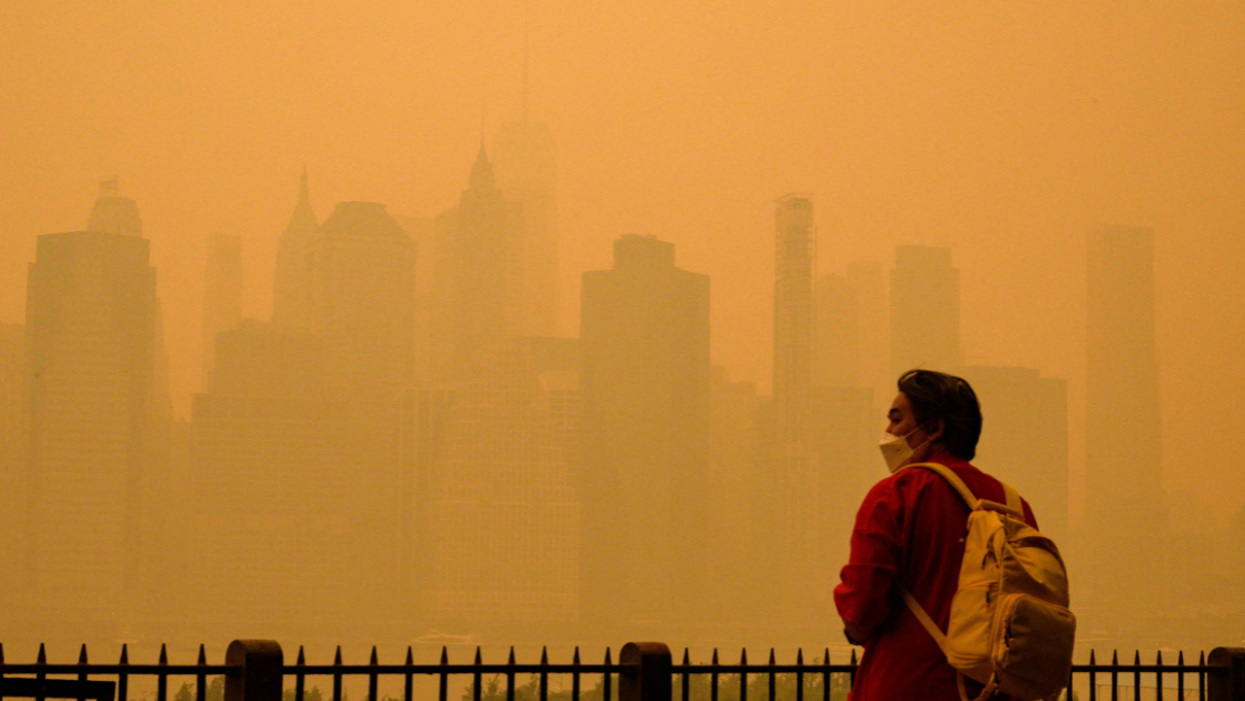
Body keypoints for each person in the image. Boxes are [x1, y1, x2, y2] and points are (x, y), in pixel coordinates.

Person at [833, 369, 1039, 701]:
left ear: (934, 429)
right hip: (994, 692)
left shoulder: (896, 494)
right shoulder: (1014, 505)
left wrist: (855, 628)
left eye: (897, 419)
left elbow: (860, 607)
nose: (888, 431)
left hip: (906, 684)